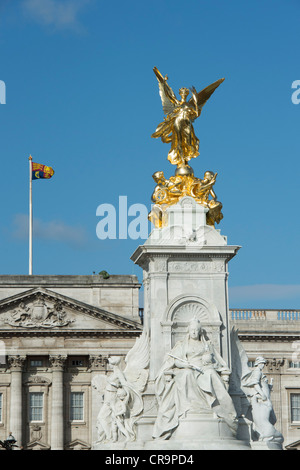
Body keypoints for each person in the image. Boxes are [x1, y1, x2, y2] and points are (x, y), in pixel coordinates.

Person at [153, 318, 237, 439]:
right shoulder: (182, 344)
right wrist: (185, 365)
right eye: (192, 330)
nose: (194, 332)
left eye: (196, 330)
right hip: (187, 368)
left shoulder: (206, 344)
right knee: (186, 374)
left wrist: (209, 362)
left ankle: (222, 408)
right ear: (189, 330)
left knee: (212, 374)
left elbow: (215, 360)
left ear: (199, 331)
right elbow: (176, 360)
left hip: (203, 368)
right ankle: (187, 408)